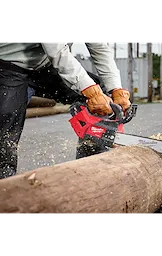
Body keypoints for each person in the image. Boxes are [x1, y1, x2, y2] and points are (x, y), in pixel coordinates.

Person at [0, 40, 131, 179]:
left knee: (103, 97)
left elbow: (100, 48)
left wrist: (116, 89)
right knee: (6, 120)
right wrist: (92, 92)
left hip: (46, 65)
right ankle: (5, 182)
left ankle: (91, 169)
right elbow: (56, 50)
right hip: (9, 66)